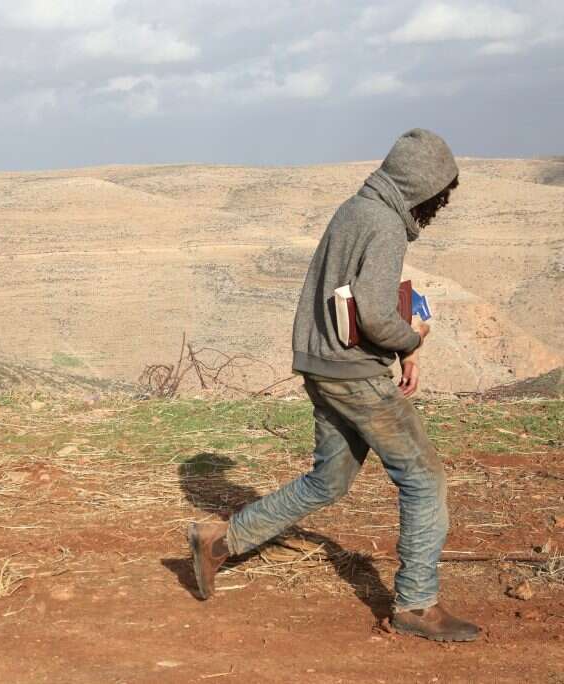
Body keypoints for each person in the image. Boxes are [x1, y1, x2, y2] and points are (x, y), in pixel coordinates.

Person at [187, 129, 480, 642]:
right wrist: (412, 338)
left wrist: (400, 347)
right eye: (440, 194)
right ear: (424, 186)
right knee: (423, 479)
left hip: (321, 366)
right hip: (355, 374)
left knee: (329, 480)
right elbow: (373, 314)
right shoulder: (385, 224)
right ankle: (415, 603)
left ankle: (220, 541)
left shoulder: (355, 208)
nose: (439, 204)